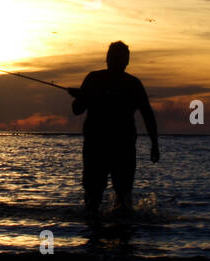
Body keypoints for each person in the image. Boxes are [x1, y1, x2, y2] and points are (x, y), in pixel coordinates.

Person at [68, 41, 159, 215]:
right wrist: (81, 97)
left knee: (121, 195)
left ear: (126, 61)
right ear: (107, 59)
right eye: (114, 58)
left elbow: (147, 115)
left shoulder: (131, 84)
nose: (116, 62)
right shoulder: (95, 79)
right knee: (96, 195)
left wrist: (155, 144)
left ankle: (109, 230)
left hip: (120, 147)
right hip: (97, 146)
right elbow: (77, 109)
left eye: (119, 58)